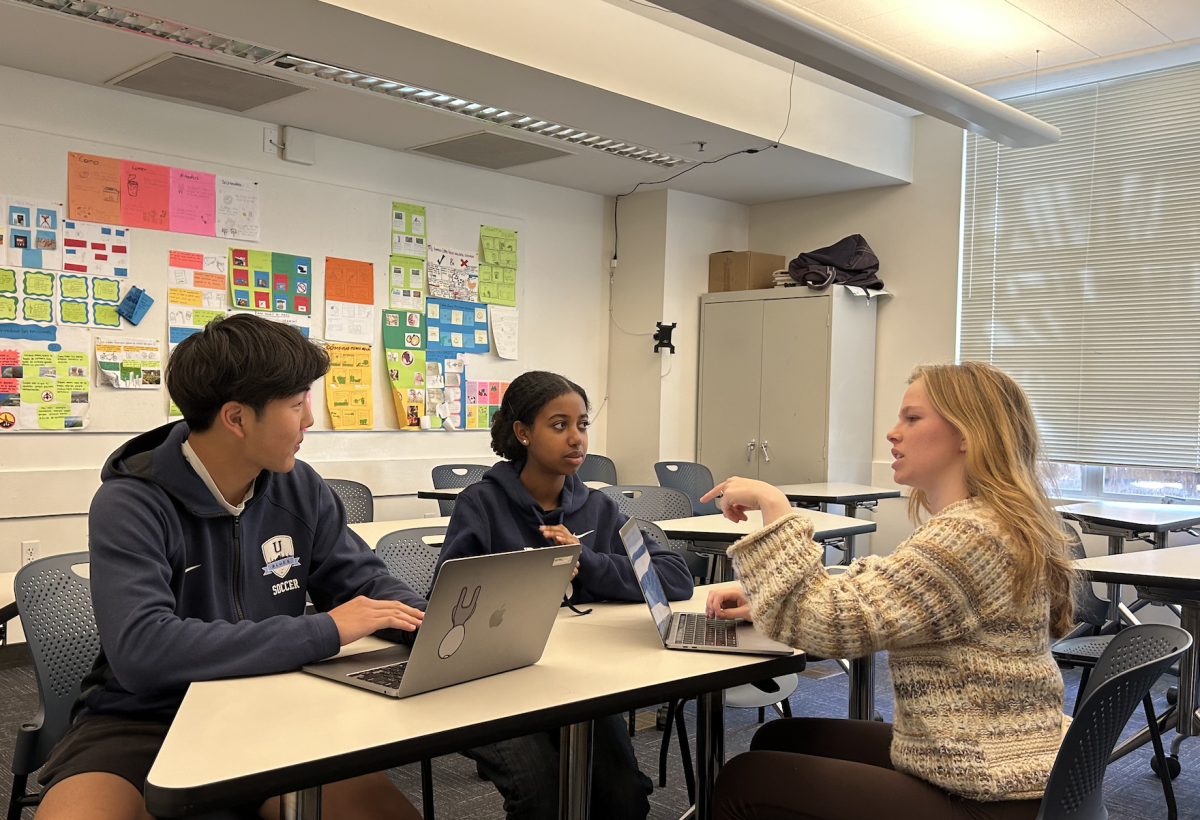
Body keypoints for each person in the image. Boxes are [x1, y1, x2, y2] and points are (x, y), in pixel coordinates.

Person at [35, 314, 426, 820]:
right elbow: (142, 652)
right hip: (144, 720)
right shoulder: (130, 503)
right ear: (237, 418)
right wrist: (325, 630)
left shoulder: (299, 487)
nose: (309, 419)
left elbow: (369, 583)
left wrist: (437, 626)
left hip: (270, 704)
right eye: (296, 404)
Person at [702, 361, 1075, 820]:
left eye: (912, 419)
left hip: (988, 792)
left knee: (747, 780)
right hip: (1004, 761)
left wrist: (776, 509)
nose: (892, 434)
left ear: (967, 434)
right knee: (781, 739)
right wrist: (765, 603)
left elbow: (829, 627)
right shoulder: (987, 523)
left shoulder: (972, 534)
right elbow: (890, 588)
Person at [435, 370, 695, 820]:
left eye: (582, 424)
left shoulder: (598, 507)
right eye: (559, 426)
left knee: (624, 795)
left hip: (577, 675)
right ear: (522, 433)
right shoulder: (481, 505)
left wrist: (589, 563)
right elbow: (449, 599)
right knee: (543, 797)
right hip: (495, 681)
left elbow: (673, 578)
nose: (576, 438)